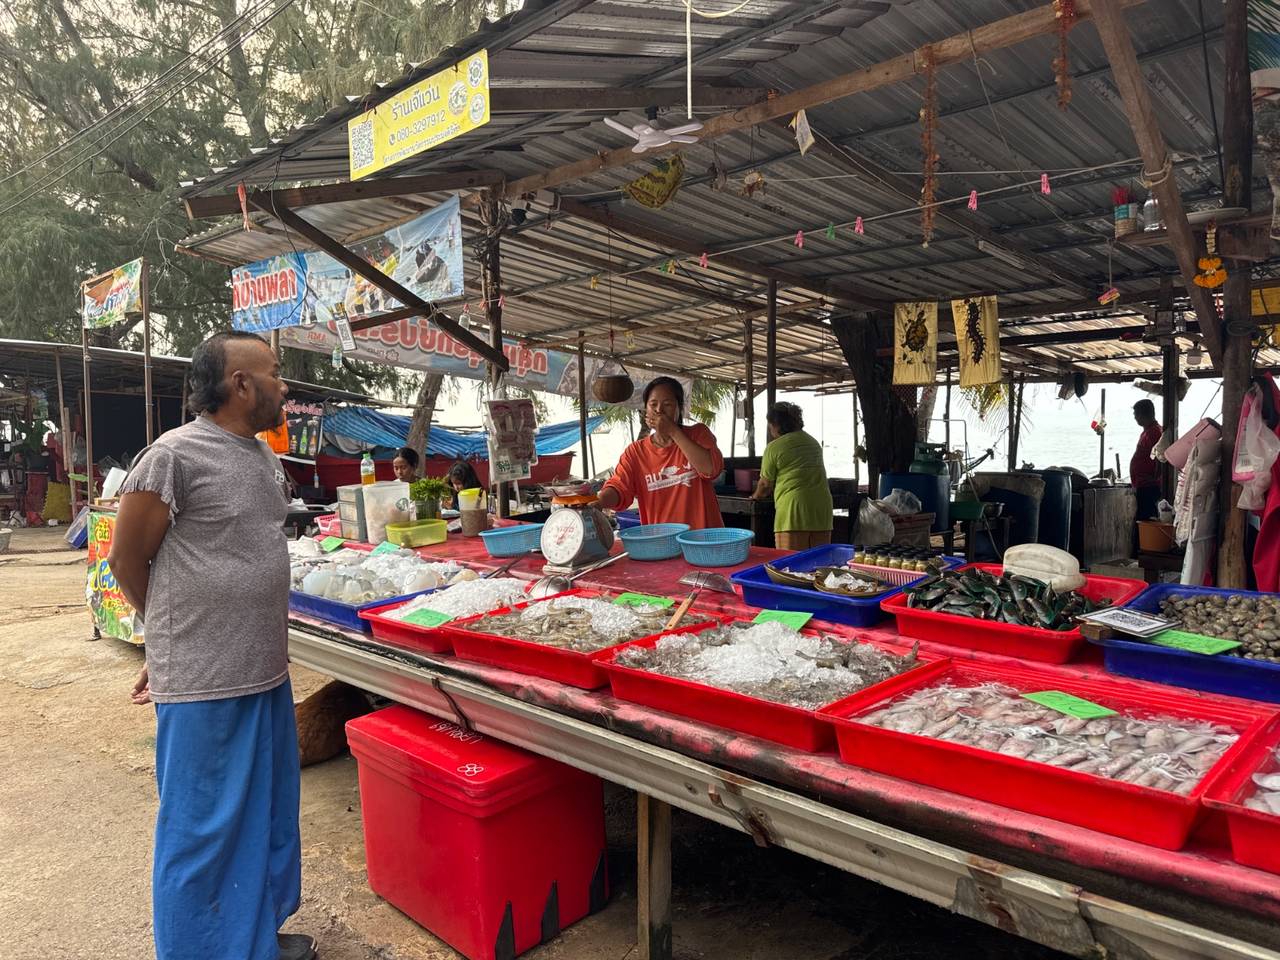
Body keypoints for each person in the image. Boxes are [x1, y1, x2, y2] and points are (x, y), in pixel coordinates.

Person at [108, 331, 316, 960]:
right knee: (202, 832)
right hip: (205, 682)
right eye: (274, 373)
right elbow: (125, 559)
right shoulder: (172, 457)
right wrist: (167, 643)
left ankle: (251, 939)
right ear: (240, 384)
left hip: (265, 673)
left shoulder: (263, 456)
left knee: (265, 818)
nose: (284, 385)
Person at [597, 376, 725, 528]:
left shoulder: (698, 434)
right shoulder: (635, 452)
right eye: (653, 404)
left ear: (679, 408)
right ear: (646, 410)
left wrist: (673, 431)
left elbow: (711, 470)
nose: (659, 410)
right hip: (661, 540)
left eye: (667, 404)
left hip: (705, 539)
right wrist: (599, 501)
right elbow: (619, 488)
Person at [751, 402, 833, 550]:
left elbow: (765, 485)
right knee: (820, 561)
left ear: (776, 425)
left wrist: (755, 496)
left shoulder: (774, 447)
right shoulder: (813, 442)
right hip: (822, 510)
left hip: (793, 512)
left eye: (770, 425)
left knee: (791, 562)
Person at [1131, 398, 1164, 521]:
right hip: (1143, 485)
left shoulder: (1154, 432)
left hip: (1149, 487)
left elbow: (1160, 457)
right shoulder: (1148, 431)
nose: (1135, 418)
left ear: (1142, 414)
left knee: (1146, 520)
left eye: (1136, 414)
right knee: (1143, 519)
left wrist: (1155, 478)